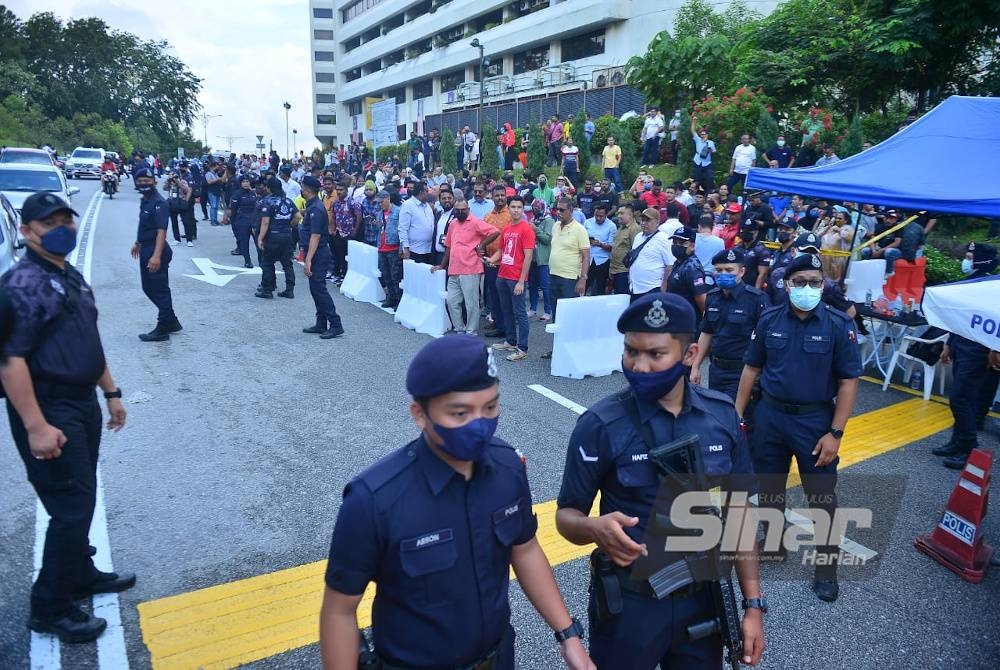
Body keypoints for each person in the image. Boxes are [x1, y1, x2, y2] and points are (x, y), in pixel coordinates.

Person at [319, 336, 594, 670]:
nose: (480, 425)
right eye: (460, 413)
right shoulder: (373, 500)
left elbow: (524, 549)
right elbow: (339, 610)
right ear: (420, 415)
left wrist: (568, 635)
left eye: (490, 407)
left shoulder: (508, 468)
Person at [554, 292, 766, 670]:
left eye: (655, 354)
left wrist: (753, 605)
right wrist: (592, 528)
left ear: (690, 355)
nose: (639, 366)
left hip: (705, 596)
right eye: (631, 351)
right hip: (630, 604)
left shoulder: (721, 417)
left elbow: (738, 513)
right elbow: (565, 517)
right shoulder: (600, 425)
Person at [1, 192, 134, 642]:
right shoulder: (19, 286)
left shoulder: (68, 274)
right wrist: (36, 425)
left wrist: (111, 391)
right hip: (48, 405)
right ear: (26, 232)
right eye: (50, 222)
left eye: (66, 220)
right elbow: (10, 360)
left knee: (82, 494)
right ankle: (50, 606)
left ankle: (79, 573)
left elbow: (85, 339)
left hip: (81, 401)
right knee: (71, 506)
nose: (62, 229)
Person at [735, 252, 862, 602]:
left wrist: (835, 433)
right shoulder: (770, 318)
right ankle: (773, 543)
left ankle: (826, 569)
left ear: (824, 285)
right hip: (771, 417)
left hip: (815, 421)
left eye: (815, 282)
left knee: (821, 497)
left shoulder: (838, 325)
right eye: (800, 282)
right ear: (787, 284)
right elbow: (751, 369)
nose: (808, 288)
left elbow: (849, 382)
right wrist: (736, 415)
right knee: (770, 487)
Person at [933, 242, 1000, 469]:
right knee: (961, 398)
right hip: (962, 345)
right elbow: (959, 319)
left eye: (971, 257)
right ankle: (957, 442)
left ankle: (970, 447)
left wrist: (995, 348)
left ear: (981, 259)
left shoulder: (991, 287)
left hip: (979, 351)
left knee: (962, 399)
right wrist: (949, 345)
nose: (966, 260)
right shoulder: (968, 285)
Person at [690, 247, 770, 400]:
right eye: (718, 270)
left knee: (736, 417)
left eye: (729, 270)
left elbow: (765, 341)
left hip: (742, 372)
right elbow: (706, 333)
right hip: (716, 371)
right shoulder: (712, 297)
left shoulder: (756, 299)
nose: (723, 274)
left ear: (741, 272)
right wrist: (695, 367)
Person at [433, 196, 499, 335]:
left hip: (470, 268)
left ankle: (471, 332)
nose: (460, 212)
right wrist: (442, 265)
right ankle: (460, 329)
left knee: (471, 304)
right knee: (451, 302)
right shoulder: (453, 224)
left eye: (463, 210)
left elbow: (494, 232)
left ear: (468, 210)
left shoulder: (475, 222)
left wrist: (481, 245)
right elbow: (449, 247)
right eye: (457, 210)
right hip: (454, 269)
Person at [131, 168, 181, 342]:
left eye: (147, 180)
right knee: (148, 288)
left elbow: (161, 231)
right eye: (140, 180)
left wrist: (156, 256)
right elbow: (144, 225)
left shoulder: (159, 203)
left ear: (154, 182)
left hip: (155, 249)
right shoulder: (145, 201)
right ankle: (172, 321)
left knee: (159, 290)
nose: (144, 183)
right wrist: (138, 242)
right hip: (146, 248)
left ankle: (163, 328)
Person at [489, 195, 535, 362]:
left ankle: (522, 348)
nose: (516, 210)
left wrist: (522, 281)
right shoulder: (507, 228)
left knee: (520, 313)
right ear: (508, 209)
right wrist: (491, 260)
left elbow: (528, 256)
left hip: (516, 278)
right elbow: (501, 251)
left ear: (523, 210)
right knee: (506, 310)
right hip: (502, 275)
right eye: (513, 207)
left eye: (519, 207)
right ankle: (510, 341)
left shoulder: (526, 229)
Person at [300, 175, 345, 339]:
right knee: (315, 289)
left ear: (308, 189)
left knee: (319, 289)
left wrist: (308, 259)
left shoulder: (316, 209)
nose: (301, 189)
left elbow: (316, 236)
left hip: (318, 253)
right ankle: (321, 323)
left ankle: (335, 324)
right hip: (315, 252)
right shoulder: (313, 206)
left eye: (303, 187)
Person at [255, 177, 300, 300]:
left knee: (268, 262)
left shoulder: (268, 201)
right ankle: (289, 290)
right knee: (287, 264)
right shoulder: (288, 201)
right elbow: (298, 216)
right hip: (286, 235)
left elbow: (265, 222)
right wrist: (289, 225)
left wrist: (260, 238)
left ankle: (267, 289)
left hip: (273, 236)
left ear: (269, 188)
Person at [628, 208, 674, 301]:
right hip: (635, 288)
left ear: (657, 222)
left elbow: (670, 265)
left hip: (652, 288)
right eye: (642, 220)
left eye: (647, 220)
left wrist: (664, 288)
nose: (643, 223)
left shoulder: (664, 239)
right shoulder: (638, 237)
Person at [526, 198, 555, 320]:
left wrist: (535, 229)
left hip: (544, 258)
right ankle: (533, 308)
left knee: (545, 285)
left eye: (537, 208)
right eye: (533, 209)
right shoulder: (533, 220)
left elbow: (548, 239)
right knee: (532, 285)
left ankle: (548, 311)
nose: (535, 211)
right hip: (532, 257)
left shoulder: (549, 221)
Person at [375, 191, 403, 310]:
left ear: (388, 199)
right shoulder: (379, 213)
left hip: (393, 248)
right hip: (382, 247)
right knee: (386, 275)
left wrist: (401, 247)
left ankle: (398, 300)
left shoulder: (398, 211)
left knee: (395, 276)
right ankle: (391, 297)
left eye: (382, 202)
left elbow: (402, 230)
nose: (380, 204)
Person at [222, 174, 257, 269]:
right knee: (244, 242)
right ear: (240, 183)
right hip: (241, 220)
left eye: (247, 181)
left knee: (258, 242)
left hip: (253, 220)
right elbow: (231, 209)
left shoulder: (253, 193)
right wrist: (233, 222)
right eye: (244, 182)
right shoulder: (237, 194)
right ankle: (247, 261)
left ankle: (261, 260)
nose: (246, 184)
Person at [398, 181, 436, 264]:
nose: (428, 193)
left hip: (429, 250)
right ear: (421, 192)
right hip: (414, 250)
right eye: (427, 191)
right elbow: (402, 228)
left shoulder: (427, 206)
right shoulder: (408, 205)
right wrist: (406, 248)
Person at [584, 204, 616, 296]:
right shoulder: (587, 223)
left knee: (600, 289)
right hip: (588, 259)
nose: (598, 218)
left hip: (603, 261)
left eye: (601, 216)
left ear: (606, 215)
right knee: (584, 286)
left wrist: (600, 244)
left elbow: (611, 247)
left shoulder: (611, 226)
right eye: (596, 215)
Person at [610, 203, 640, 295]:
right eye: (618, 213)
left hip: (624, 272)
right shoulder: (621, 228)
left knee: (623, 298)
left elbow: (635, 252)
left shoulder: (634, 229)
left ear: (630, 215)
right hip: (615, 270)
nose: (619, 216)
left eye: (621, 213)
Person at [733, 219, 772, 290]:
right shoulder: (736, 248)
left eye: (749, 230)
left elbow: (762, 274)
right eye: (743, 230)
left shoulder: (762, 250)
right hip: (736, 286)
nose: (745, 232)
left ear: (756, 232)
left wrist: (756, 292)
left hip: (751, 287)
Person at [691, 118, 716, 191]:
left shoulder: (710, 142)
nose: (702, 136)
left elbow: (714, 151)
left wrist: (708, 148)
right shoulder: (698, 140)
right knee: (698, 179)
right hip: (698, 161)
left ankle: (709, 192)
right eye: (701, 134)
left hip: (707, 162)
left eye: (704, 134)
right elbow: (693, 131)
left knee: (710, 177)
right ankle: (697, 192)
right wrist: (694, 122)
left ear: (707, 135)